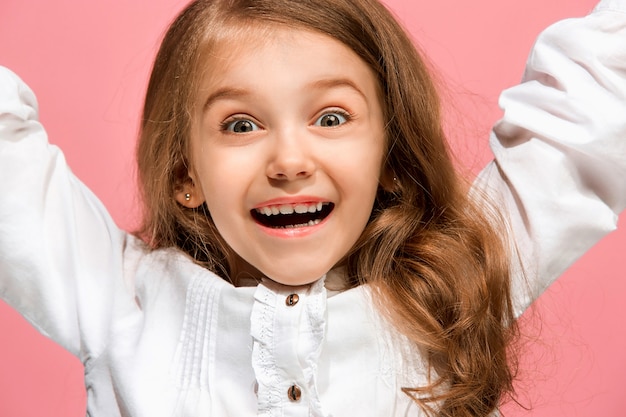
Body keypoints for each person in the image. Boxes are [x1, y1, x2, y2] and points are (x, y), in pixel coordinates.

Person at [0, 0, 624, 416]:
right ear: (186, 174)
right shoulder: (122, 300)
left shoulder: (457, 281)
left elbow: (593, 110)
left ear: (389, 155)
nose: (289, 160)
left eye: (331, 117)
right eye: (241, 125)